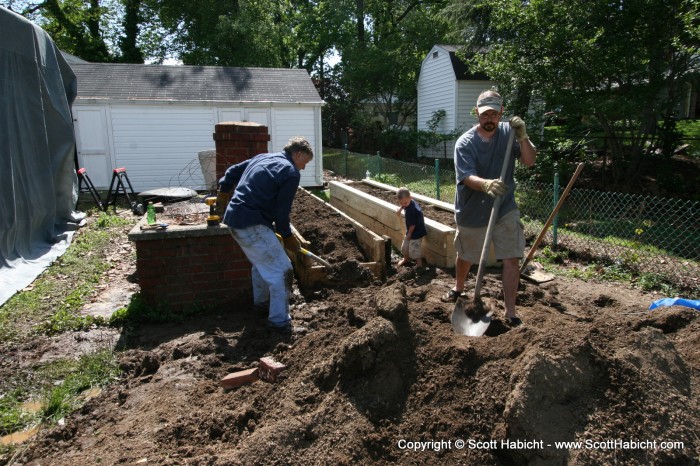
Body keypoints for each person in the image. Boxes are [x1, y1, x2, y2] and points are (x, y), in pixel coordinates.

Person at [442, 90, 537, 326]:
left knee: (511, 258)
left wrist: (523, 137)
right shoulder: (465, 143)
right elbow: (465, 177)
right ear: (477, 114)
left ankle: (511, 313)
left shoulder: (509, 133)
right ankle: (459, 287)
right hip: (472, 209)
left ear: (501, 113)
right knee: (466, 255)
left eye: (494, 114)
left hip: (504, 206)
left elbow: (529, 160)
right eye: (485, 114)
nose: (489, 119)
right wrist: (485, 184)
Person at [217, 136, 314, 335]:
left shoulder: (262, 158)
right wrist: (287, 236)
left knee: (261, 264)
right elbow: (281, 213)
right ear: (297, 154)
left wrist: (224, 191)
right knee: (283, 270)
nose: (303, 168)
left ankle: (262, 305)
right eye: (305, 162)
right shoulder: (290, 172)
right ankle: (279, 322)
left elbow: (231, 172)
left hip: (234, 220)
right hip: (253, 223)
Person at [395, 187, 427, 268]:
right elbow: (404, 205)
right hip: (410, 231)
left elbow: (413, 224)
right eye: (401, 203)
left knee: (414, 248)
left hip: (416, 232)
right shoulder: (408, 202)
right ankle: (406, 259)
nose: (403, 205)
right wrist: (400, 209)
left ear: (410, 198)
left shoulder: (412, 210)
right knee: (405, 246)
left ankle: (419, 264)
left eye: (405, 203)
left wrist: (409, 234)